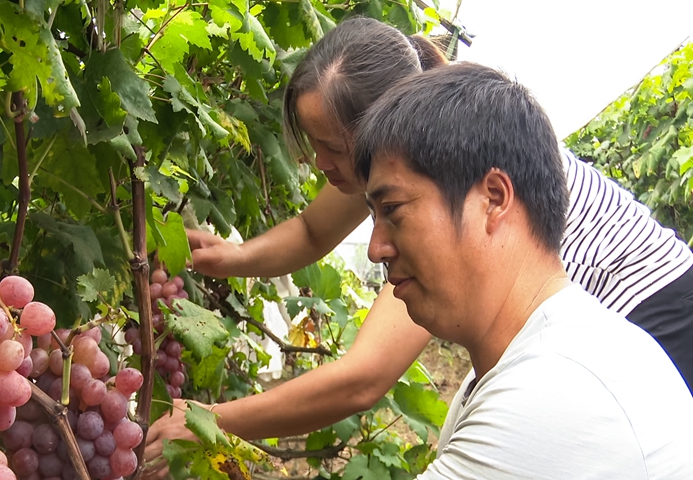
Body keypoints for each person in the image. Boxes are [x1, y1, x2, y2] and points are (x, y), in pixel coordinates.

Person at [142, 17, 693, 474]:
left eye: (331, 146)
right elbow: (312, 231)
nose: (318, 164)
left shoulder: (456, 193)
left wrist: (208, 418)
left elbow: (362, 378)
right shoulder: (427, 168)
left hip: (663, 316)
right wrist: (227, 256)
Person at [355, 61, 693, 478]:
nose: (375, 249)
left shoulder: (555, 388)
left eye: (392, 210)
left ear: (494, 199)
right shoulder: (529, 361)